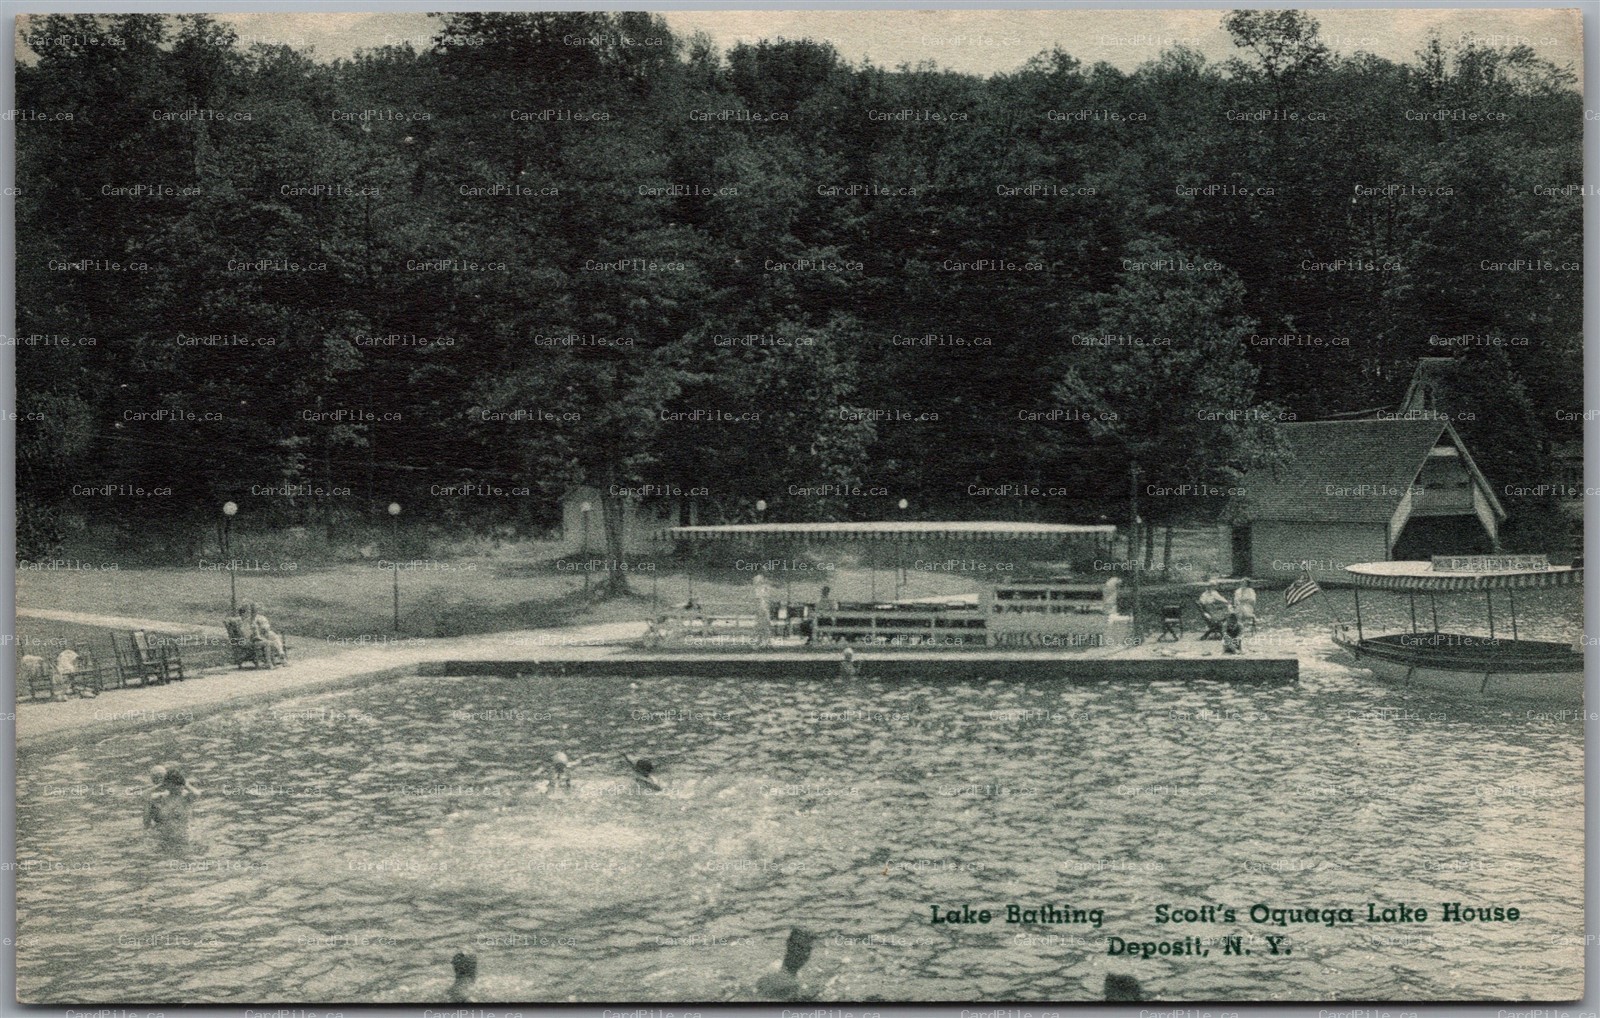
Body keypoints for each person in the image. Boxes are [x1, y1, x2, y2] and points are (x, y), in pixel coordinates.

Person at [144, 763, 200, 852]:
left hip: (185, 838)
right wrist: (162, 784)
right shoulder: (160, 798)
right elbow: (145, 795)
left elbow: (197, 793)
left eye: (180, 785)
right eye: (175, 785)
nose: (179, 788)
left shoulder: (186, 797)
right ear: (168, 786)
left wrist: (185, 783)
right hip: (165, 839)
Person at [755, 928, 817, 1000]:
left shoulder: (775, 965)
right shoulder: (780, 981)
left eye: (808, 949)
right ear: (789, 946)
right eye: (799, 948)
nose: (804, 954)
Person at [752, 573, 774, 648]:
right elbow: (760, 599)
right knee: (761, 625)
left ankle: (766, 642)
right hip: (761, 609)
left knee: (765, 625)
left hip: (764, 608)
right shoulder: (759, 589)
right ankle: (761, 641)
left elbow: (767, 598)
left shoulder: (765, 587)